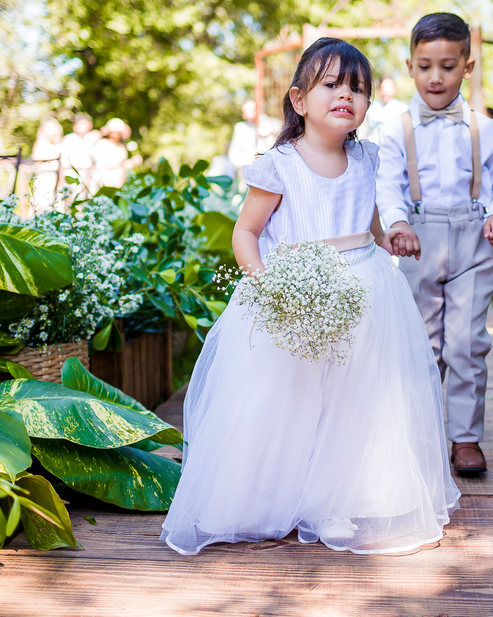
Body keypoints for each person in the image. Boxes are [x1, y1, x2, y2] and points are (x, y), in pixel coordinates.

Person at [160, 37, 459, 556]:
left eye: (358, 88)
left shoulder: (368, 158)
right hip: (294, 290)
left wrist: (395, 237)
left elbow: (368, 222)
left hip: (364, 290)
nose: (347, 95)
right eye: (331, 84)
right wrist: (269, 287)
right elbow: (245, 234)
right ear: (299, 100)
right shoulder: (280, 164)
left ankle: (334, 500)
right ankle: (270, 494)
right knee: (287, 397)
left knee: (355, 397)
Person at [377, 12, 493, 476]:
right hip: (419, 237)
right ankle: (419, 432)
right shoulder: (395, 128)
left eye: (448, 66)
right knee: (424, 342)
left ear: (467, 67)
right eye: (425, 66)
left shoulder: (484, 127)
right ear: (411, 65)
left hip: (474, 238)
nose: (436, 77)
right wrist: (396, 223)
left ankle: (466, 438)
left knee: (468, 342)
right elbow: (387, 186)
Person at [92, 118, 136, 189]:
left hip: (119, 180)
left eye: (118, 133)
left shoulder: (122, 146)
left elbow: (123, 164)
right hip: (106, 179)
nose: (116, 135)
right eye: (114, 132)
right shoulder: (102, 144)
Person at [30, 118, 64, 212]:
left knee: (58, 205)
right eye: (49, 128)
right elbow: (36, 162)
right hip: (44, 178)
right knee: (42, 205)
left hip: (57, 178)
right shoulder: (40, 144)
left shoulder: (60, 145)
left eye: (54, 128)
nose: (52, 131)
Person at [60, 114, 97, 193]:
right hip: (71, 173)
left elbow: (94, 160)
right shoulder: (68, 139)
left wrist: (88, 178)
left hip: (88, 174)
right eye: (79, 124)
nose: (81, 126)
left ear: (90, 125)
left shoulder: (93, 139)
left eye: (84, 124)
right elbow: (63, 160)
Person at [365, 76, 407, 143]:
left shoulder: (403, 110)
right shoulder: (370, 107)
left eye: (389, 88)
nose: (387, 92)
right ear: (379, 89)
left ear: (394, 90)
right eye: (384, 88)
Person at [228, 100, 261, 176]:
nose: (251, 114)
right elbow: (233, 153)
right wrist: (245, 164)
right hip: (246, 172)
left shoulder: (269, 125)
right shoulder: (240, 128)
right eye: (247, 111)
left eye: (253, 110)